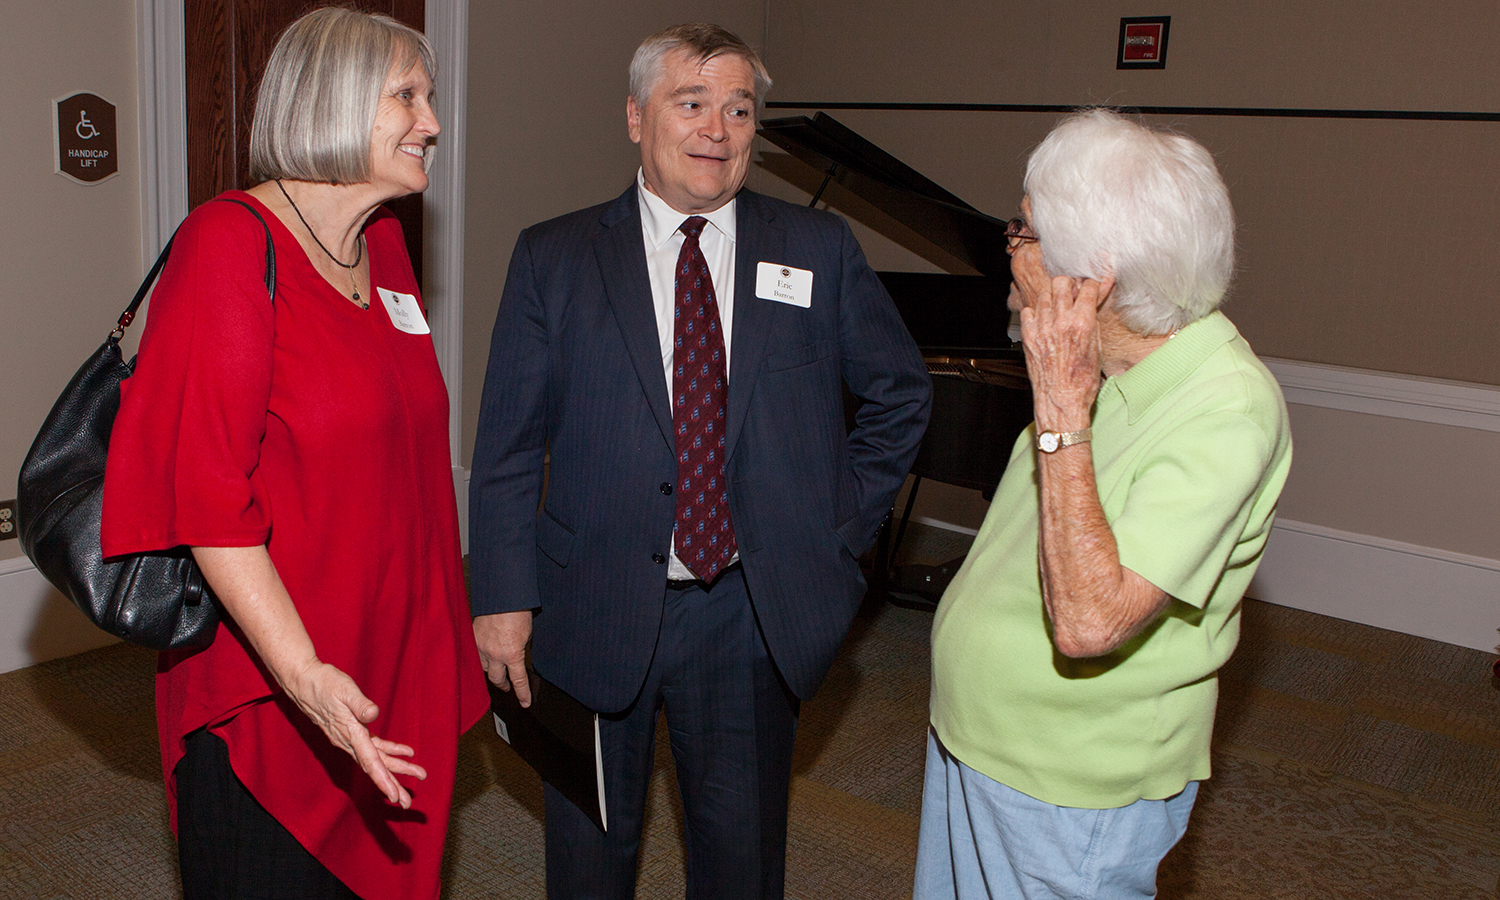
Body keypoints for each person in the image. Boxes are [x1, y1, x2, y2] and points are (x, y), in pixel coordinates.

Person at [468, 22, 931, 900]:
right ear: (637, 118)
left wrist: (836, 529)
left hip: (748, 615)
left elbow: (901, 397)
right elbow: (508, 447)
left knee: (740, 865)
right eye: (692, 104)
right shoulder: (554, 257)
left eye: (739, 109)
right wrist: (499, 598)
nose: (717, 129)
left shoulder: (817, 252)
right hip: (590, 603)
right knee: (589, 861)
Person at [100, 8, 488, 899]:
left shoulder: (382, 245)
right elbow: (204, 494)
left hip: (391, 662)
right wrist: (305, 677)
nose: (431, 121)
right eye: (406, 96)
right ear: (334, 102)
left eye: (428, 95)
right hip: (278, 683)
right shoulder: (228, 246)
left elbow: (408, 462)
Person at [914, 108, 1293, 900]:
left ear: (1089, 281)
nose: (1010, 249)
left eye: (1023, 231)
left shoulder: (1226, 406)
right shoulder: (1109, 370)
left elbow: (1090, 622)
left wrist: (1059, 407)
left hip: (1070, 785)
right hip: (985, 744)